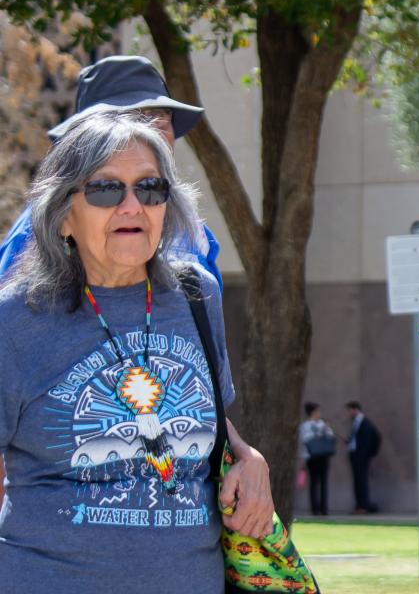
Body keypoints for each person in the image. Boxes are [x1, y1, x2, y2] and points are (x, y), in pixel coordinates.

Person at [0, 112, 273, 592]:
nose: (133, 206)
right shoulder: (16, 320)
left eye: (150, 188)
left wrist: (250, 458)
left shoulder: (197, 295)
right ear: (64, 215)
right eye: (106, 190)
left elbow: (200, 415)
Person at [0, 55, 221, 287]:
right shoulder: (45, 222)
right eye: (130, 118)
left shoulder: (191, 228)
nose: (145, 133)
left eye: (157, 117)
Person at [299, 402, 336, 516]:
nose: (319, 413)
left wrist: (326, 428)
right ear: (313, 412)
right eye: (317, 411)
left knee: (324, 482)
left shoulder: (323, 424)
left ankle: (324, 508)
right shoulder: (305, 426)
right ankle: (315, 509)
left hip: (323, 456)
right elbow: (305, 440)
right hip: (312, 456)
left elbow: (331, 436)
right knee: (314, 483)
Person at [346, 400, 381, 514]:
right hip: (356, 456)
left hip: (361, 457)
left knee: (361, 481)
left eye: (350, 410)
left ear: (355, 409)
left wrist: (368, 454)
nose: (348, 413)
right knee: (358, 481)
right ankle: (360, 505)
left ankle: (363, 506)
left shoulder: (364, 423)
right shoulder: (357, 422)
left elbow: (376, 437)